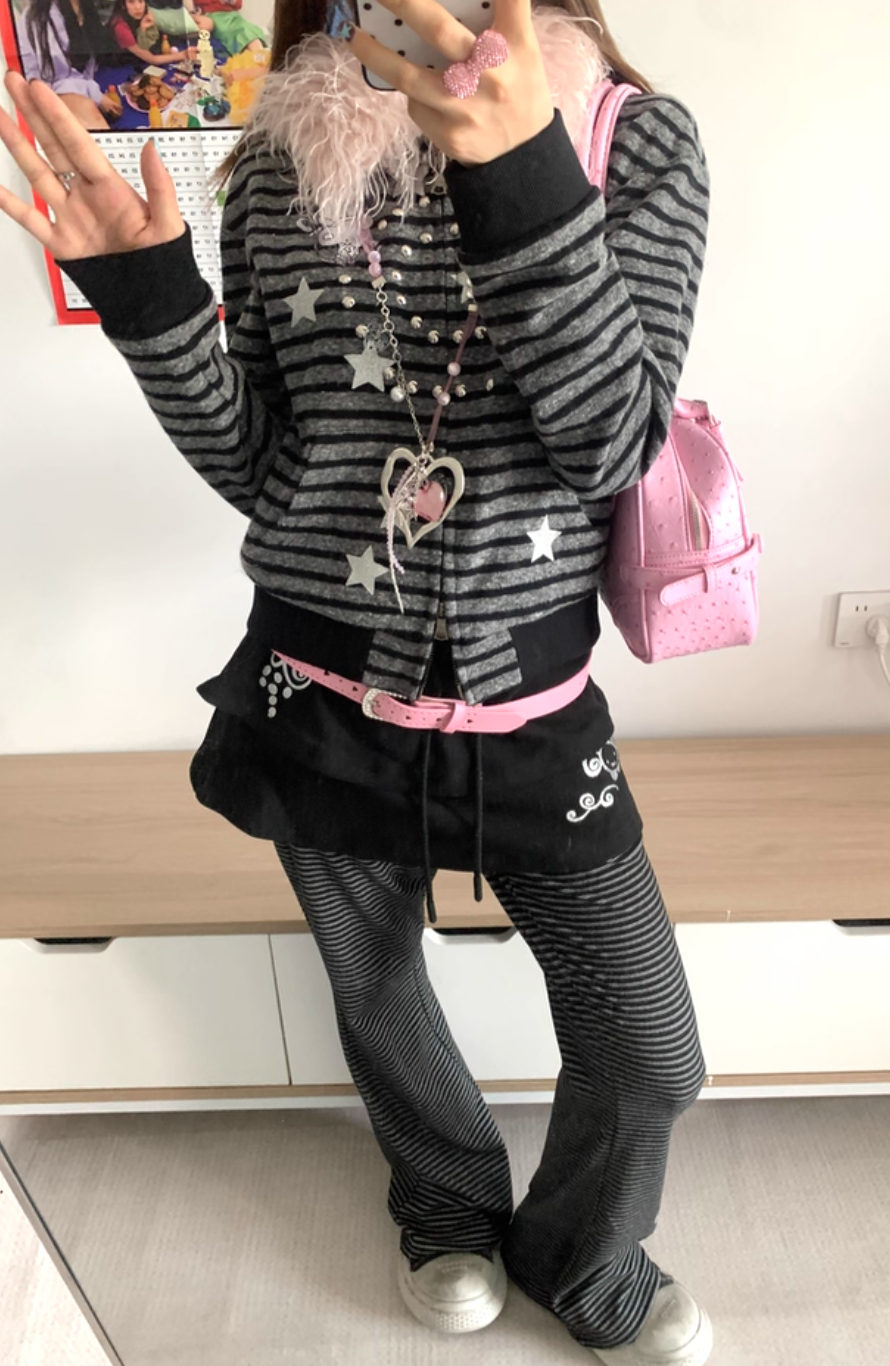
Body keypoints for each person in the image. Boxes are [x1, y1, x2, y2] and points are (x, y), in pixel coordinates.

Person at [0, 1, 714, 1360]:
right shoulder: (280, 161)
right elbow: (265, 467)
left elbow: (610, 443)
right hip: (315, 687)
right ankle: (443, 1203)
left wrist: (522, 175)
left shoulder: (630, 138)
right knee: (377, 988)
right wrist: (151, 299)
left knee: (649, 1051)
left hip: (528, 705)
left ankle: (579, 1249)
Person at [16, 0, 120, 128]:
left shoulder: (85, 7)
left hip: (75, 85)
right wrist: (96, 96)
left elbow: (89, 57)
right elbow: (53, 78)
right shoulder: (41, 19)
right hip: (49, 93)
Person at [109, 0, 198, 67]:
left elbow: (155, 39)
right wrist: (183, 55)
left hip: (147, 53)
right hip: (124, 63)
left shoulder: (146, 12)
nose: (138, 7)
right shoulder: (121, 28)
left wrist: (145, 28)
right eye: (131, 2)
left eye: (141, 1)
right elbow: (152, 59)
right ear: (123, 4)